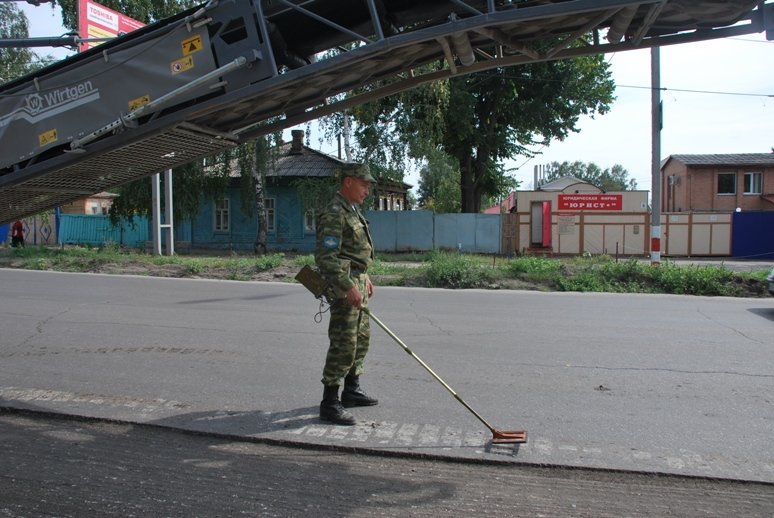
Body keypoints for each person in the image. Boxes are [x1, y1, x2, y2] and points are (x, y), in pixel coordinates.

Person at [314, 163, 378, 425]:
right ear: (349, 182)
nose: (367, 190)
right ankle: (330, 402)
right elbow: (326, 258)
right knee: (344, 343)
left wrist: (365, 276)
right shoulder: (334, 212)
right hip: (345, 286)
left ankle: (351, 390)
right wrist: (348, 286)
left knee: (361, 339)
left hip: (357, 280)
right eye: (364, 184)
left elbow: (353, 252)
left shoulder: (352, 210)